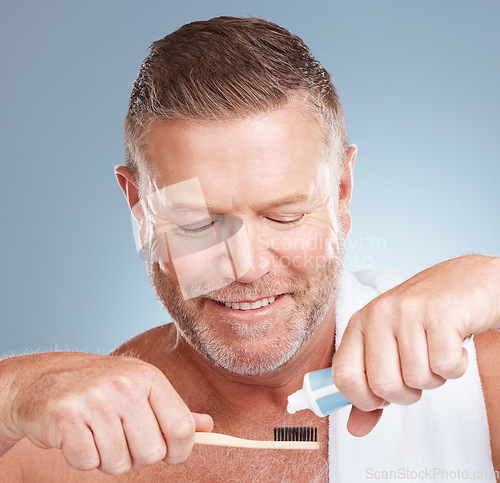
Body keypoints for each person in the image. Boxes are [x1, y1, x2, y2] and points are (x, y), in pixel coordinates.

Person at [0, 16, 498, 482]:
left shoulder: (472, 383)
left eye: (283, 216)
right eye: (197, 223)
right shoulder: (69, 448)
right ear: (138, 206)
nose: (246, 267)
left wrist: (491, 279)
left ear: (342, 192)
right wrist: (11, 393)